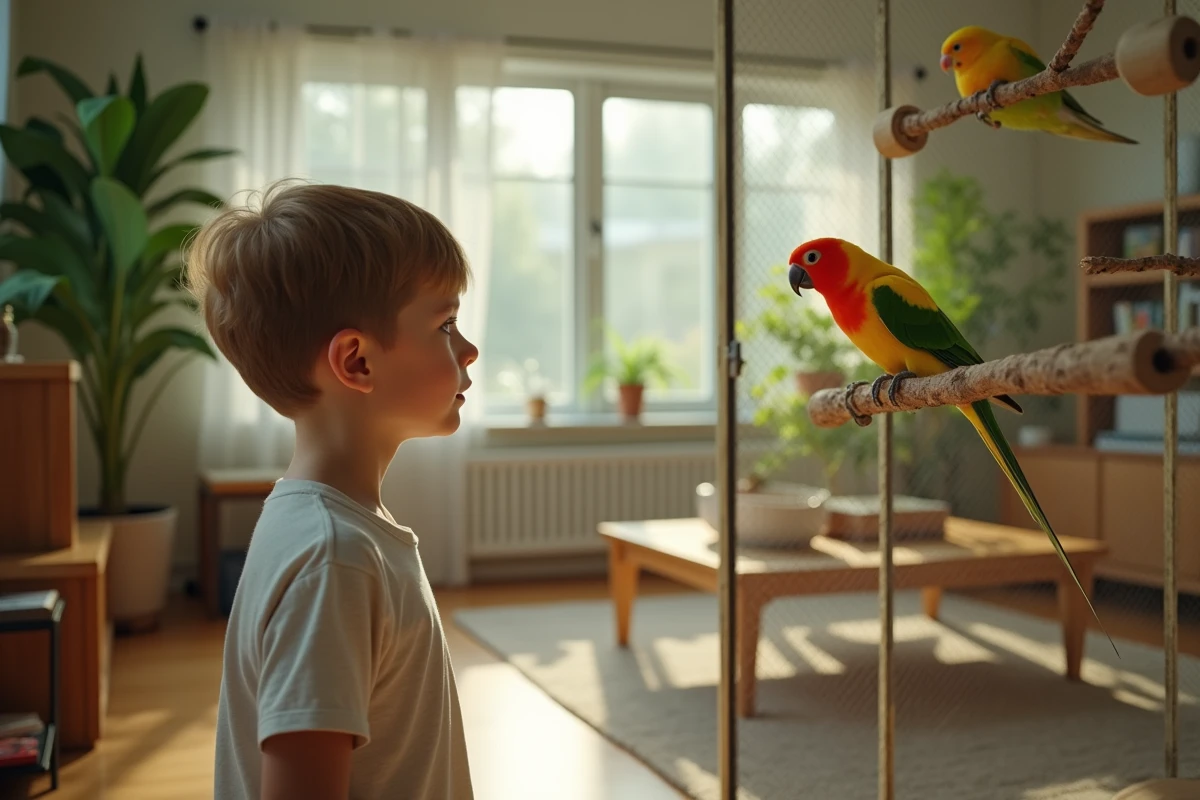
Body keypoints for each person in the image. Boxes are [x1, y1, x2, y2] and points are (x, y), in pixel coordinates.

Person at [185, 181, 478, 799]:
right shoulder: (335, 560)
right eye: (446, 324)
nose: (469, 349)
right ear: (357, 362)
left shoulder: (333, 533)